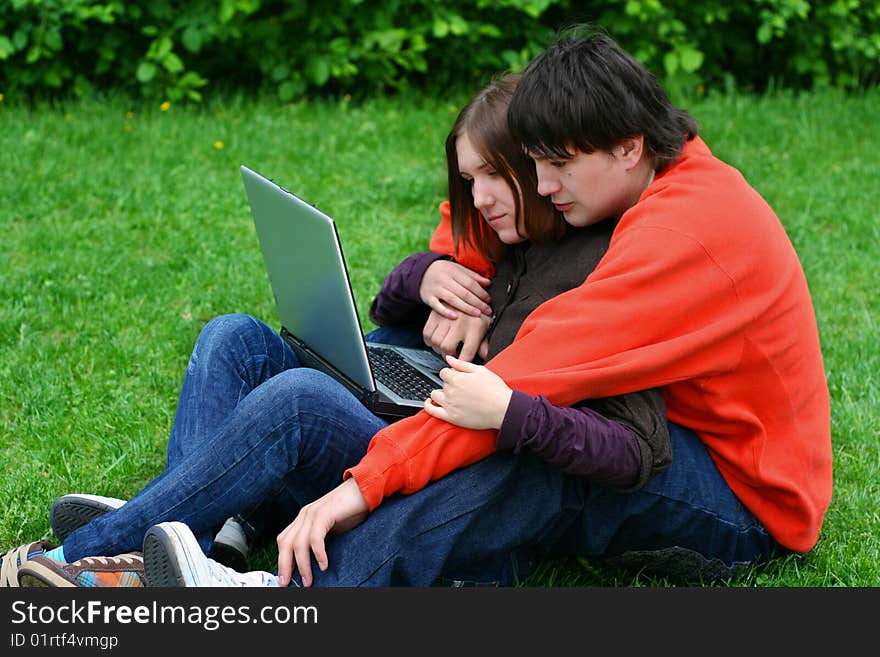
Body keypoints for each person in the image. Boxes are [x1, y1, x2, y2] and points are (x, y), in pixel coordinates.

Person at [139, 26, 832, 588]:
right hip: (681, 432)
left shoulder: (679, 233)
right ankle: (163, 533)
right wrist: (446, 270)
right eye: (532, 165)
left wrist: (358, 488)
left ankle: (297, 594)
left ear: (630, 145)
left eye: (556, 164)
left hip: (746, 500)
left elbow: (523, 382)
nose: (543, 184)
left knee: (526, 450)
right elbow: (471, 221)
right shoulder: (658, 176)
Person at [1, 74, 670, 588]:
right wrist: (427, 277)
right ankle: (185, 539)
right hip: (417, 416)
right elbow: (391, 302)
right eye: (471, 181)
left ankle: (89, 553)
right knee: (232, 334)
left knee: (299, 399)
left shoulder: (597, 261)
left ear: (541, 166)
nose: (482, 197)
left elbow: (625, 438)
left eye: (497, 176)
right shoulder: (505, 236)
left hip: (441, 458)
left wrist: (505, 405)